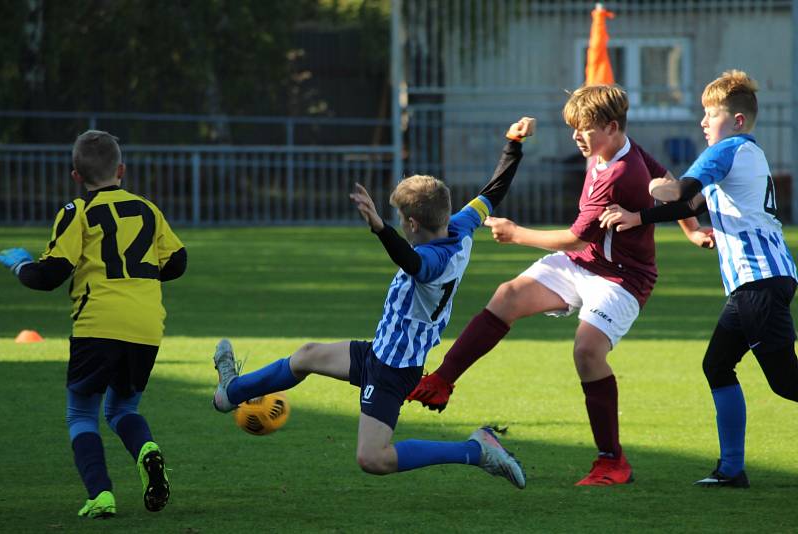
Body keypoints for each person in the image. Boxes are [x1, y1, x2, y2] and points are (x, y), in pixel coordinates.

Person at [211, 119, 536, 489]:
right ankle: (229, 393)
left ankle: (475, 451)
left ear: (412, 224)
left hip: (393, 369)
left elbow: (412, 263)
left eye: (400, 219)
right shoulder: (459, 227)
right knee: (307, 355)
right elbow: (493, 192)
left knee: (373, 457)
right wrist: (513, 144)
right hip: (380, 353)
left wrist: (381, 228)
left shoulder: (433, 263)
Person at [407, 84, 685, 486]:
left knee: (587, 351)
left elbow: (575, 237)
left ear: (610, 127)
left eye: (584, 129)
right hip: (584, 263)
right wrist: (689, 225)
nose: (576, 136)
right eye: (573, 127)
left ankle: (612, 460)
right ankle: (442, 380)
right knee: (508, 295)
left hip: (624, 277)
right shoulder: (616, 148)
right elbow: (669, 180)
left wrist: (516, 233)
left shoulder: (622, 171)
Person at [599, 70, 798, 488]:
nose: (703, 123)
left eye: (711, 114)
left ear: (738, 120)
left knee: (786, 382)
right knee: (718, 365)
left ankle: (731, 468)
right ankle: (731, 470)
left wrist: (654, 186)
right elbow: (687, 204)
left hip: (758, 281)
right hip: (761, 280)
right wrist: (640, 216)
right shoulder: (751, 153)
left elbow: (678, 193)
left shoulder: (725, 150)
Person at [0, 130, 187, 518]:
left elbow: (50, 274)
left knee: (81, 414)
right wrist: (141, 279)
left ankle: (101, 494)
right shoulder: (147, 209)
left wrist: (20, 265)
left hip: (97, 323)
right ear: (121, 169)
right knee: (122, 409)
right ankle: (147, 450)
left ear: (76, 176)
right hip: (146, 325)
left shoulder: (75, 212)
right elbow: (178, 262)